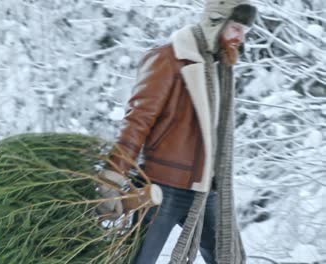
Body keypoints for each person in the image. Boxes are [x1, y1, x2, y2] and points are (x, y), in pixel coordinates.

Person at [96, 0, 257, 263]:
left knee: (229, 257)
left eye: (244, 31)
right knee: (137, 259)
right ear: (215, 23)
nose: (241, 37)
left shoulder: (218, 70)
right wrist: (113, 177)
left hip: (205, 190)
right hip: (162, 187)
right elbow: (138, 120)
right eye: (236, 28)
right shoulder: (168, 59)